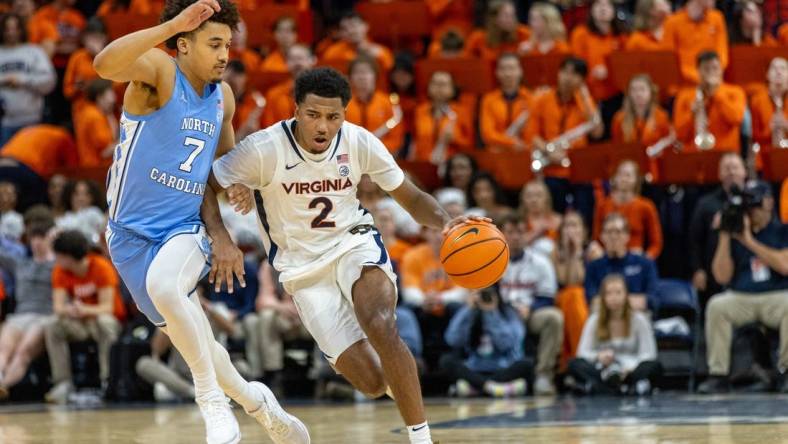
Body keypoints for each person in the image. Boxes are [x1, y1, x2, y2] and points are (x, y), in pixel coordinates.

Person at [209, 66, 486, 444]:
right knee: (372, 383)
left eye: (333, 117)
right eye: (313, 115)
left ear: (345, 114)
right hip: (302, 270)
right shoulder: (264, 148)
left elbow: (410, 198)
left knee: (381, 323)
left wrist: (448, 223)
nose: (323, 126)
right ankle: (401, 385)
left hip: (353, 242)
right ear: (295, 110)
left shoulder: (358, 142)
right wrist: (224, 226)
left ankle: (422, 439)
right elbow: (208, 183)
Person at [91, 1, 308, 443]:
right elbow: (102, 63)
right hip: (128, 238)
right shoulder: (159, 72)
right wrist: (170, 25)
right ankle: (257, 404)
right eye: (214, 44)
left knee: (168, 288)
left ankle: (209, 402)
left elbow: (222, 167)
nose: (225, 54)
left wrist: (239, 185)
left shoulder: (223, 97)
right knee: (203, 347)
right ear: (184, 44)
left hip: (183, 229)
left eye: (227, 44)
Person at [697, 181, 788, 394]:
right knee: (717, 305)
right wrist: (725, 236)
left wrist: (749, 241)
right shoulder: (735, 233)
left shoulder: (782, 231)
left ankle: (786, 371)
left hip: (776, 296)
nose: (752, 211)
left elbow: (785, 266)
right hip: (742, 296)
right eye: (749, 206)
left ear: (769, 203)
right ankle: (718, 375)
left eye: (755, 204)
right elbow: (721, 276)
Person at [44, 230, 125, 404]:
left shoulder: (101, 267)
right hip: (80, 324)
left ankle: (107, 380)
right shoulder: (60, 271)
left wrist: (84, 309)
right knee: (52, 325)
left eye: (58, 255)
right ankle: (63, 383)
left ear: (68, 256)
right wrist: (71, 310)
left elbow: (107, 308)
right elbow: (58, 307)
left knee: (104, 322)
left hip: (104, 323)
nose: (56, 259)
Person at [529, 57, 602, 219]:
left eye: (575, 74)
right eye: (565, 72)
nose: (568, 77)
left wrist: (584, 96)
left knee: (585, 210)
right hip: (552, 166)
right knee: (554, 210)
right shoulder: (543, 99)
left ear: (582, 80)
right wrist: (549, 150)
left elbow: (597, 132)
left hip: (578, 169)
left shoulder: (585, 102)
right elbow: (532, 135)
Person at [498, 214, 563, 395]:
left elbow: (548, 296)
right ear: (501, 234)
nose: (515, 236)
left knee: (553, 317)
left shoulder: (540, 261)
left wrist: (531, 308)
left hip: (529, 313)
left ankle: (544, 375)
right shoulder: (489, 261)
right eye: (510, 232)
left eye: (520, 231)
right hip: (500, 314)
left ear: (527, 234)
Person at [569, 274, 661, 395]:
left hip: (631, 369)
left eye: (618, 292)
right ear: (603, 297)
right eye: (609, 293)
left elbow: (649, 353)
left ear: (626, 294)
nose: (614, 298)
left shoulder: (639, 319)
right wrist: (598, 356)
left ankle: (598, 389)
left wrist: (630, 368)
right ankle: (626, 390)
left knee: (654, 366)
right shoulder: (594, 320)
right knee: (574, 364)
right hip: (602, 369)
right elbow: (582, 352)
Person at [441, 286, 531, 398]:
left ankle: (476, 387)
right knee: (446, 361)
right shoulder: (469, 311)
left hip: (502, 368)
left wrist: (491, 313)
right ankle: (495, 388)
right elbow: (452, 340)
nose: (484, 298)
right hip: (474, 368)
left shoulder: (509, 313)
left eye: (488, 294)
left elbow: (506, 344)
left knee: (527, 364)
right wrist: (468, 310)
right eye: (480, 294)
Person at [0, 218, 55, 399]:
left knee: (23, 352)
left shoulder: (58, 264)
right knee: (4, 350)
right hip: (20, 316)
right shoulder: (20, 263)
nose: (37, 242)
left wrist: (57, 240)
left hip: (44, 317)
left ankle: (4, 386)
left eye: (42, 237)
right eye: (34, 238)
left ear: (50, 238)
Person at [688, 153, 748, 304]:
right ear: (720, 174)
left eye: (735, 167)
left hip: (750, 268)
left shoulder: (757, 201)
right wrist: (697, 269)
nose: (732, 172)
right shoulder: (706, 204)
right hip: (714, 271)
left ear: (744, 171)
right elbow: (694, 240)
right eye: (727, 168)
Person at [255, 259, 312, 396]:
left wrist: (298, 309)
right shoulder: (268, 264)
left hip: (308, 316)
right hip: (284, 317)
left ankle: (324, 373)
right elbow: (262, 300)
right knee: (266, 316)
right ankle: (273, 373)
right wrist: (282, 307)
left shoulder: (305, 256)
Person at [0, 13, 56, 145]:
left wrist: (23, 80)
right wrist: (4, 80)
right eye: (7, 29)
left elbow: (49, 81)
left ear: (21, 29)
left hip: (32, 120)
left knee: (30, 163)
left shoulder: (34, 52)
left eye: (15, 28)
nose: (11, 33)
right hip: (4, 122)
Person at [673, 51, 746, 152]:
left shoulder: (735, 92)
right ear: (698, 71)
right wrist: (692, 115)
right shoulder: (684, 96)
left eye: (715, 68)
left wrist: (715, 93)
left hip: (725, 154)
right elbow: (679, 135)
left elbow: (736, 118)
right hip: (694, 154)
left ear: (721, 70)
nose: (711, 72)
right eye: (706, 69)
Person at [585, 213, 659, 311]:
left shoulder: (645, 264)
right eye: (608, 232)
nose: (613, 236)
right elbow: (592, 300)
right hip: (603, 317)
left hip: (637, 315)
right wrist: (632, 300)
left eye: (618, 232)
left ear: (627, 236)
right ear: (602, 236)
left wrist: (611, 301)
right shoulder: (593, 266)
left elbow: (652, 300)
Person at [592, 160, 663, 260]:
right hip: (608, 258)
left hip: (635, 259)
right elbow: (596, 238)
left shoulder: (646, 206)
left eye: (628, 175)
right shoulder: (603, 205)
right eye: (620, 174)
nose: (624, 179)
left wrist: (645, 260)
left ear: (636, 180)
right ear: (614, 178)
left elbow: (656, 243)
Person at [551, 211, 593, 368]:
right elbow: (565, 281)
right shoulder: (555, 252)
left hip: (588, 298)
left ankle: (573, 360)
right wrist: (571, 254)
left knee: (575, 295)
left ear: (584, 231)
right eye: (566, 226)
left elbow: (580, 281)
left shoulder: (593, 250)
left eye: (575, 225)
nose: (570, 230)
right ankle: (579, 359)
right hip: (564, 301)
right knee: (571, 295)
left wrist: (577, 252)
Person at [569, 0, 626, 104]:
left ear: (614, 11)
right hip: (587, 92)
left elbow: (626, 66)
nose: (602, 8)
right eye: (598, 4)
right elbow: (576, 65)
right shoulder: (580, 34)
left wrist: (610, 72)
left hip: (616, 93)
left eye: (607, 5)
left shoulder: (621, 36)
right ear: (591, 10)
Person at [345, 56, 404, 154]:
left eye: (366, 72)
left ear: (375, 76)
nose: (362, 76)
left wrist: (377, 152)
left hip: (382, 157)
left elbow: (396, 139)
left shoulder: (388, 103)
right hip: (351, 156)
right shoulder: (343, 104)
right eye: (357, 72)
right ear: (350, 77)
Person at [411, 70, 473, 164]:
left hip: (451, 165)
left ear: (453, 89)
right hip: (423, 162)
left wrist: (455, 138)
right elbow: (415, 140)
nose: (438, 87)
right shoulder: (420, 111)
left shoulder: (462, 112)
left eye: (443, 84)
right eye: (435, 83)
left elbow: (470, 143)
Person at [663, 0, 728, 84]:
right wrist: (698, 77)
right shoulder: (672, 22)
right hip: (684, 85)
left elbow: (722, 53)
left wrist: (713, 74)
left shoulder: (717, 18)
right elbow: (668, 61)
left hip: (714, 81)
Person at [480, 52, 534, 152]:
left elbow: (533, 131)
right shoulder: (488, 99)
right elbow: (487, 134)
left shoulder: (531, 99)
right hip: (497, 152)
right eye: (503, 69)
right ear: (497, 73)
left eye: (512, 68)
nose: (508, 73)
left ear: (520, 71)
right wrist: (512, 143)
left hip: (524, 151)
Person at [262, 43, 316, 128]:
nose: (297, 63)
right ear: (286, 63)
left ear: (312, 60)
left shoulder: (324, 94)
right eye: (292, 59)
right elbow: (269, 129)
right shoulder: (273, 95)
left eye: (300, 58)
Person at [63, 17, 108, 116]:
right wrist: (77, 87)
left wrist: (99, 55)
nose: (94, 42)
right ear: (84, 38)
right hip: (82, 109)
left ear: (105, 38)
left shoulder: (110, 56)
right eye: (91, 38)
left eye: (98, 38)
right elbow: (67, 91)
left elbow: (116, 86)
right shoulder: (77, 57)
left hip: (106, 108)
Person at [321, 12, 393, 72]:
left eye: (354, 26)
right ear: (341, 32)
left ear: (366, 26)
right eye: (345, 28)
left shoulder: (381, 52)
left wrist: (379, 57)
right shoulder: (332, 53)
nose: (351, 31)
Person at [74, 79, 118, 169]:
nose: (114, 98)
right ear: (100, 97)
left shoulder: (95, 113)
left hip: (94, 167)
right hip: (97, 169)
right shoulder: (94, 117)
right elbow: (105, 152)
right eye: (110, 93)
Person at [750, 57, 787, 150]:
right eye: (774, 68)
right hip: (765, 152)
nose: (779, 72)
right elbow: (753, 137)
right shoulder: (757, 100)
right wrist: (770, 129)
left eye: (783, 68)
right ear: (767, 74)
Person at [223, 60, 265, 141]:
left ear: (246, 78)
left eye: (239, 74)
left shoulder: (257, 102)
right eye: (230, 76)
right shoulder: (214, 99)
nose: (234, 79)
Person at [518, 179, 561, 255]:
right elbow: (515, 245)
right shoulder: (518, 221)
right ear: (523, 199)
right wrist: (537, 232)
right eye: (529, 196)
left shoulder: (558, 220)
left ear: (547, 198)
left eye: (539, 195)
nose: (534, 200)